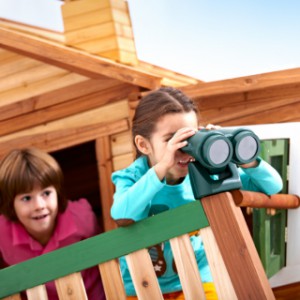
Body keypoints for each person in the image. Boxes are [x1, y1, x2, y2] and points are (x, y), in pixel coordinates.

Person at [110, 86, 283, 299]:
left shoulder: (203, 169)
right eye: (171, 139)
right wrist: (163, 166)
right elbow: (121, 213)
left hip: (197, 275)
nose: (183, 147)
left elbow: (272, 186)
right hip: (142, 284)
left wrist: (243, 158)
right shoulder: (132, 176)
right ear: (144, 145)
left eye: (190, 137)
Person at [0, 147, 106, 300]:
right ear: (10, 204)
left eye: (46, 193)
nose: (39, 205)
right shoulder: (2, 233)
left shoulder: (82, 218)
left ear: (58, 192)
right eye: (26, 198)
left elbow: (105, 255)